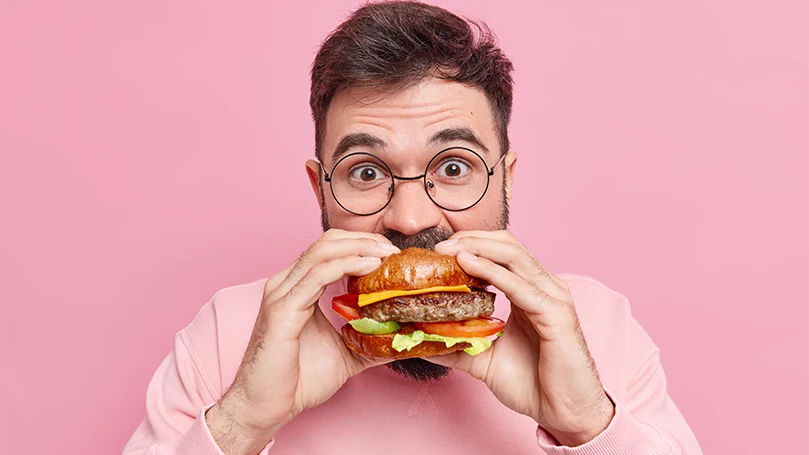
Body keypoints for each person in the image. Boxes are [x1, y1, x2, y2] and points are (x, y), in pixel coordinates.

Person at [123, 2, 703, 454]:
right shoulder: (231, 333)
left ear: (506, 179)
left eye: (453, 168)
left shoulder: (596, 327)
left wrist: (588, 426)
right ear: (319, 187)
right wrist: (243, 419)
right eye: (367, 171)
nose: (409, 219)